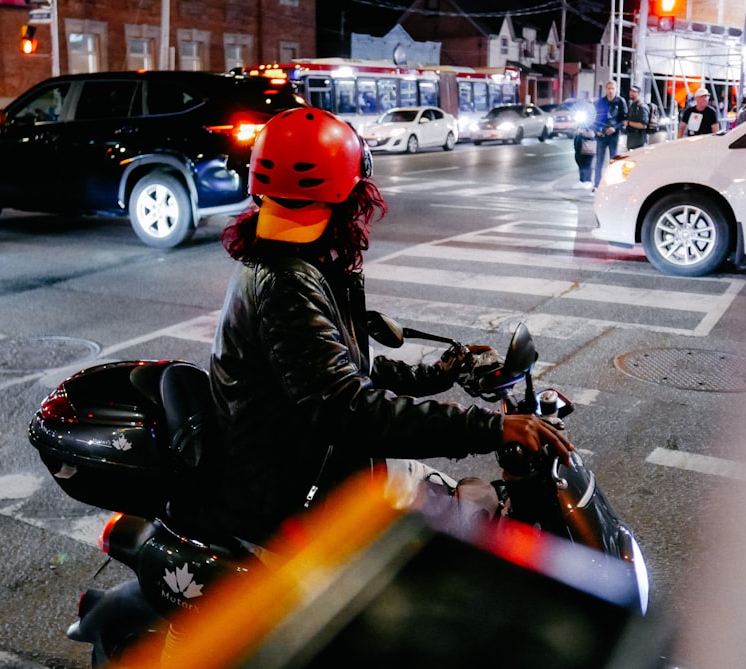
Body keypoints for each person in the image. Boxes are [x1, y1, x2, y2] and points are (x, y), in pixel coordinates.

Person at [201, 108, 574, 546]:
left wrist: (438, 374)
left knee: (468, 504)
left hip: (315, 464)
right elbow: (348, 408)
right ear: (345, 195)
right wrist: (487, 428)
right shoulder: (287, 283)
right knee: (461, 541)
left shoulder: (288, 261)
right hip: (297, 495)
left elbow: (337, 372)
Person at [592, 81, 627, 189]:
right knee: (599, 160)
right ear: (606, 89)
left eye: (612, 88)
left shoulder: (620, 102)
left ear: (616, 89)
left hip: (613, 135)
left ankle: (613, 184)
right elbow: (595, 118)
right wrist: (596, 130)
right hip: (602, 136)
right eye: (608, 88)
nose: (610, 91)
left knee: (614, 160)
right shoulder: (600, 102)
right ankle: (597, 184)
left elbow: (624, 119)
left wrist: (615, 128)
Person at [572, 99, 596, 189]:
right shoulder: (580, 120)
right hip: (579, 141)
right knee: (579, 159)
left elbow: (592, 133)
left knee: (587, 161)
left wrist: (582, 132)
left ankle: (587, 180)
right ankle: (582, 180)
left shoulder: (593, 119)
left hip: (588, 142)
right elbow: (574, 128)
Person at [624, 84, 650, 150]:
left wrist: (629, 123)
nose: (631, 93)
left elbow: (643, 125)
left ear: (639, 93)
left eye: (634, 92)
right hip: (631, 141)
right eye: (631, 91)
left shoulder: (642, 107)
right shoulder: (632, 105)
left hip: (639, 142)